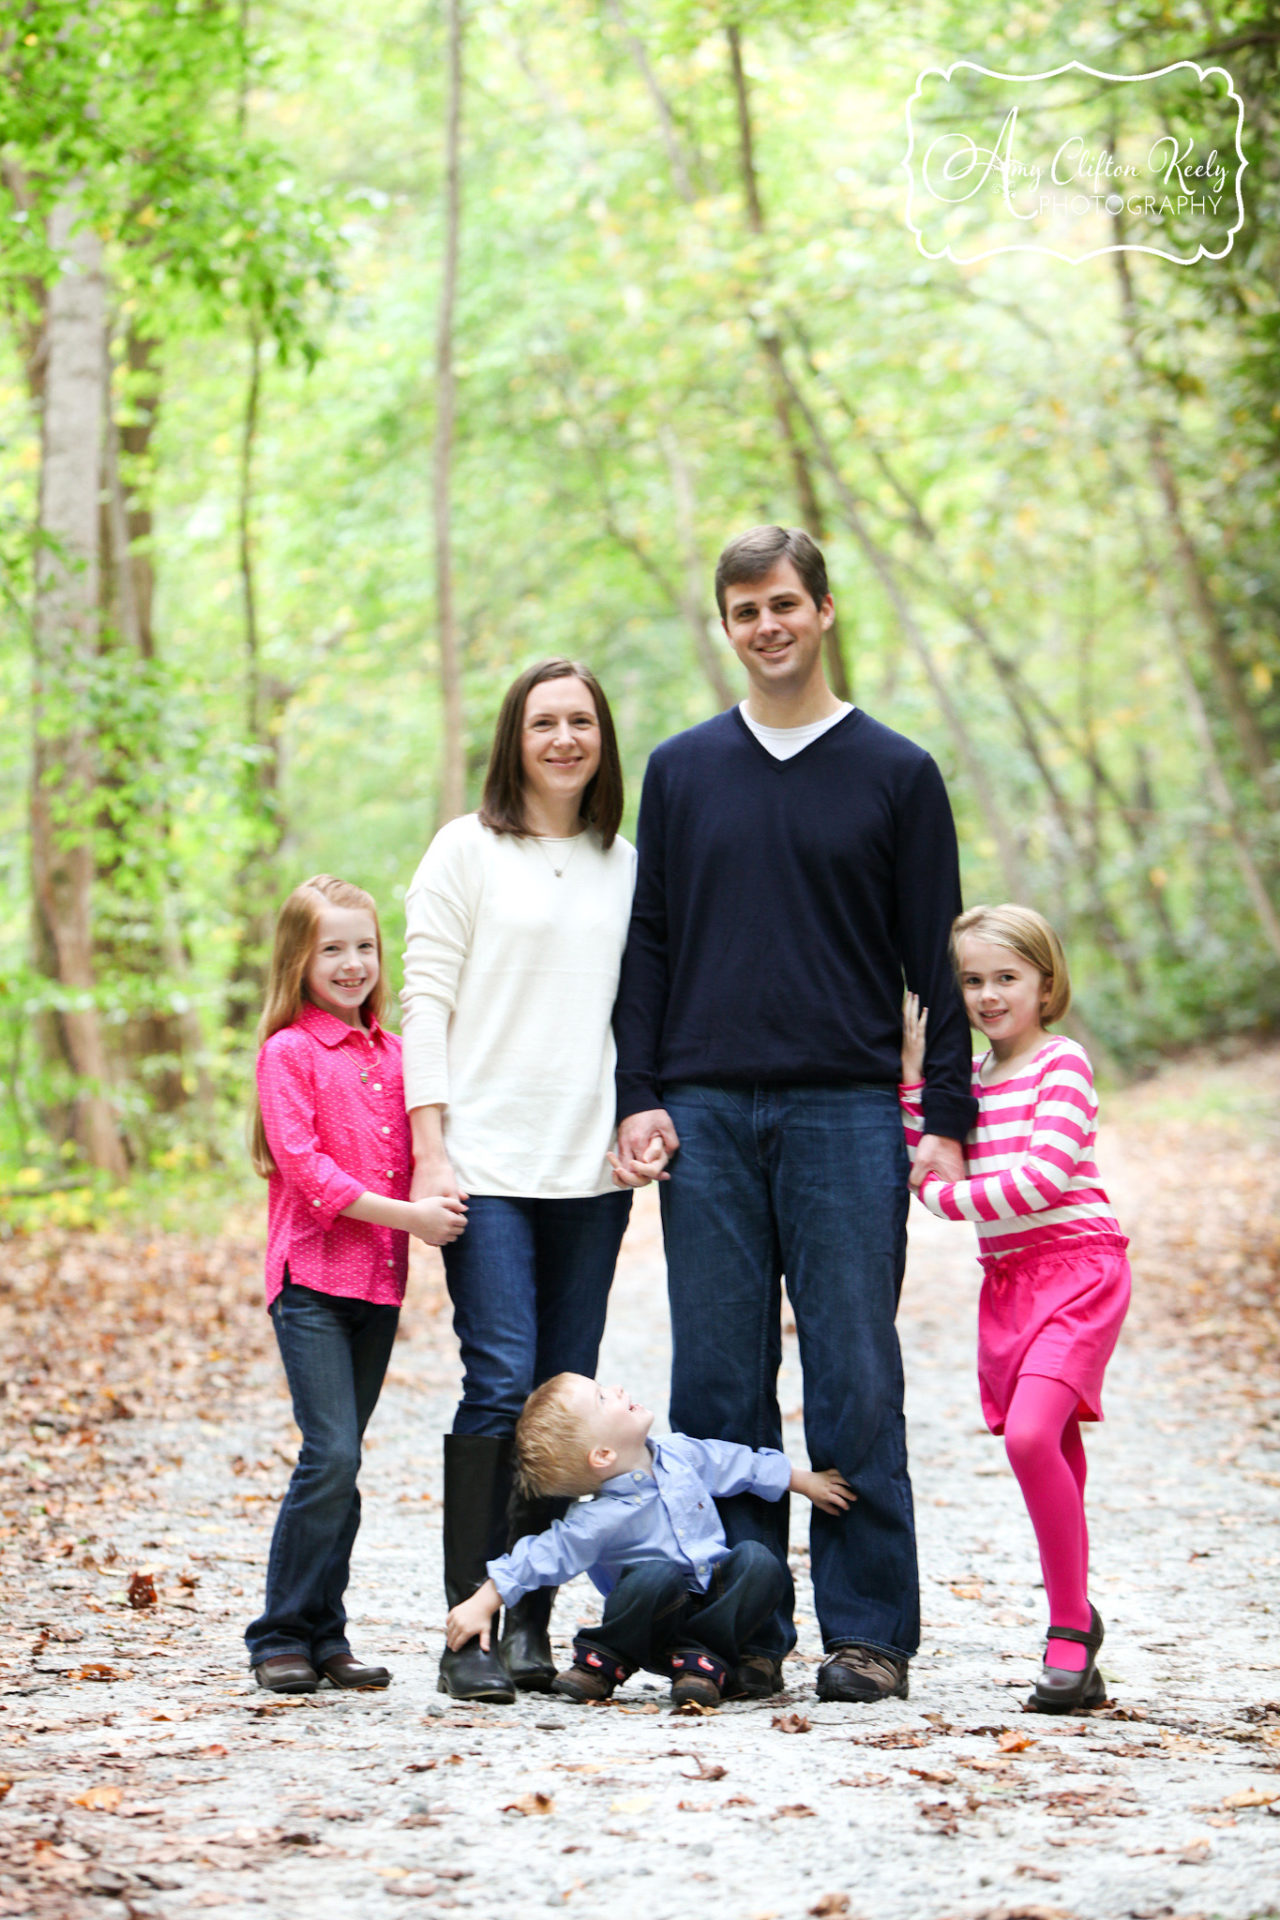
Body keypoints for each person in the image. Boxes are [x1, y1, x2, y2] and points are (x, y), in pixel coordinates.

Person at [610, 524, 976, 1705]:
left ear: (821, 611)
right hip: (705, 1112)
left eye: (781, 605)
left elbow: (939, 960)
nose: (764, 627)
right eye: (742, 612)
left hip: (845, 1109)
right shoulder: (680, 770)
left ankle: (868, 1633)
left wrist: (946, 1117)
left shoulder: (896, 773)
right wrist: (641, 1095)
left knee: (854, 1375)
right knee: (715, 1383)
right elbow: (649, 944)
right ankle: (739, 1629)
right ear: (726, 627)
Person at [402, 659, 637, 1704]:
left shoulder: (625, 863)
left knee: (563, 1398)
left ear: (601, 738)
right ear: (514, 736)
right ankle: (468, 1632)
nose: (561, 738)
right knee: (498, 1382)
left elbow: (645, 1014)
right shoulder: (464, 849)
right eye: (542, 721)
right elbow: (422, 1004)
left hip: (587, 1166)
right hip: (487, 1162)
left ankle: (532, 1624)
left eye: (579, 721)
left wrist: (642, 1119)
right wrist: (429, 1146)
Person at [899, 904, 1131, 1713]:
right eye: (972, 980)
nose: (990, 995)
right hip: (1008, 1280)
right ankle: (1077, 1634)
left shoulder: (1061, 1063)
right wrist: (913, 1072)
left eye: (1007, 978)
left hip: (1078, 1270)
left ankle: (1069, 1630)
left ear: (1045, 980)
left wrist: (949, 1197)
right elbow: (922, 1154)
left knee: (1033, 1434)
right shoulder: (969, 1079)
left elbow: (1040, 1177)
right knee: (1050, 1443)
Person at [245, 875, 466, 1694]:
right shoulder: (288, 1053)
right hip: (309, 1282)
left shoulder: (397, 1056)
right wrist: (411, 1218)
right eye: (331, 948)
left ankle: (325, 1635)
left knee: (345, 1462)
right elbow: (307, 1173)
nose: (350, 963)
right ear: (297, 959)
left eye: (364, 946)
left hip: (375, 1285)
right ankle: (277, 1635)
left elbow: (426, 1149)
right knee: (329, 1455)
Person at [443, 1373, 854, 1708]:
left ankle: (703, 1661)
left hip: (714, 1610)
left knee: (759, 1562)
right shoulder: (596, 1518)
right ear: (602, 1455)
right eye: (604, 1398)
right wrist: (484, 1600)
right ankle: (604, 1659)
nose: (618, 1388)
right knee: (654, 1576)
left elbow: (737, 1463)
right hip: (650, 1625)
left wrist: (802, 1481)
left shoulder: (679, 1453)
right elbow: (541, 1555)